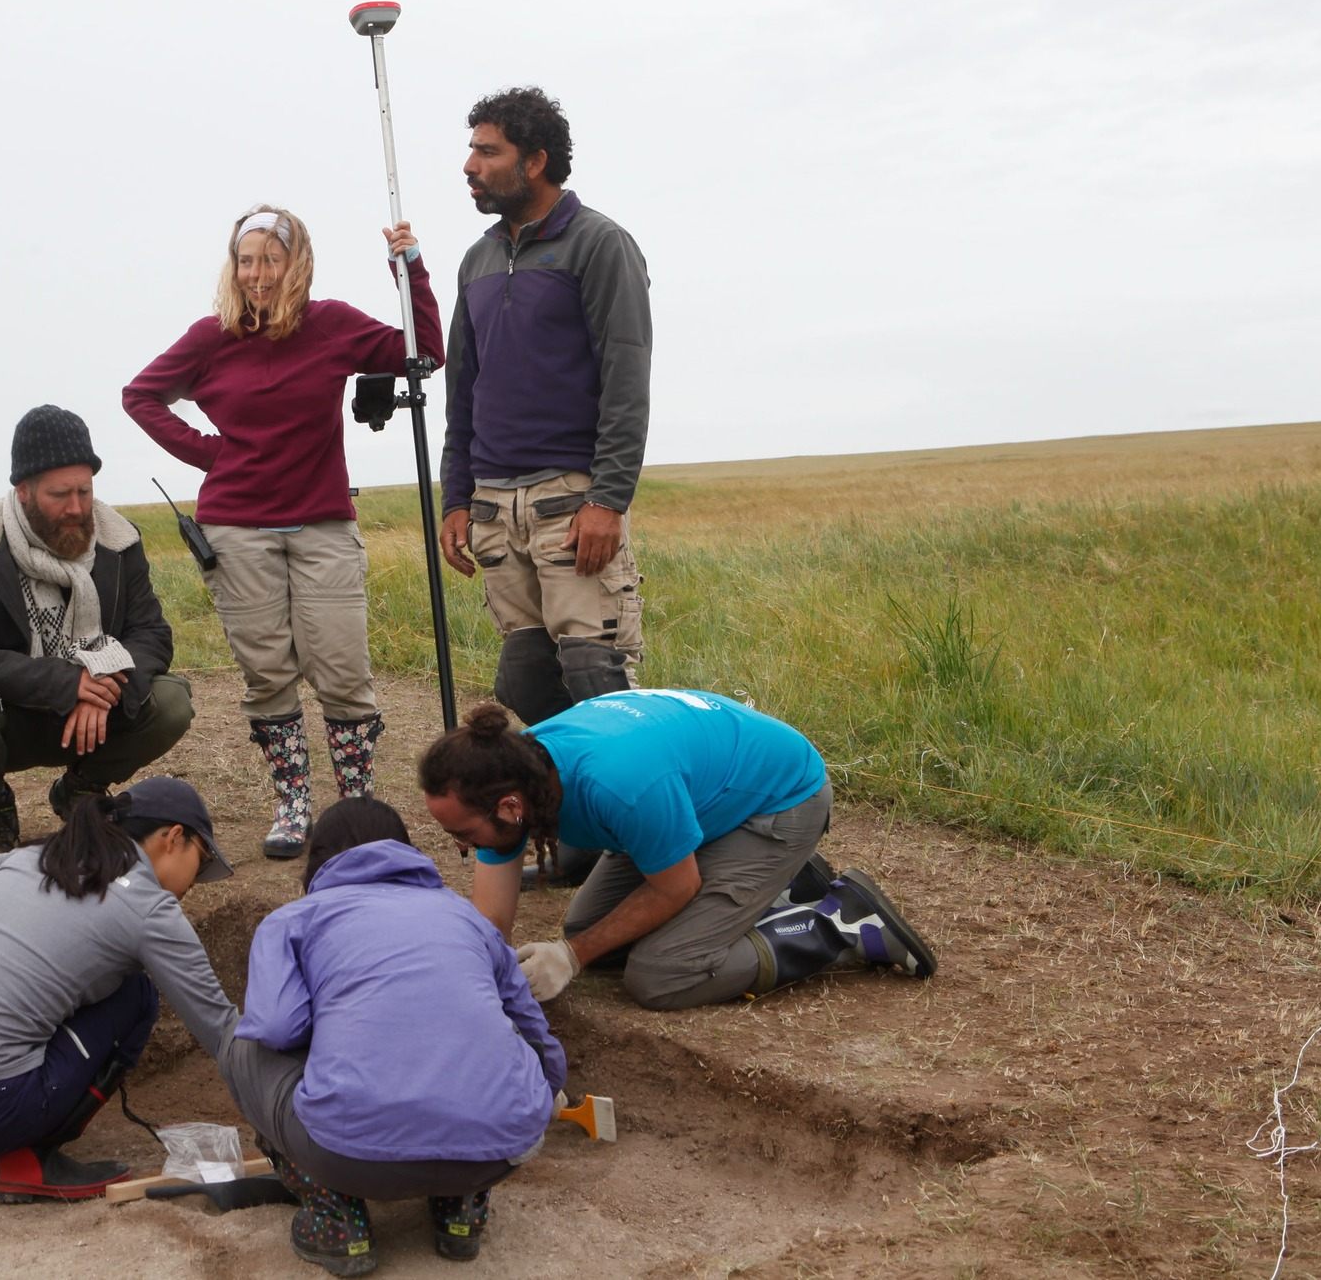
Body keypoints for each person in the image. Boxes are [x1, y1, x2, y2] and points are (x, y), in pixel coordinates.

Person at [123, 206, 442, 860]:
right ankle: (293, 807)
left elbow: (425, 352)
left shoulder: (332, 325)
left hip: (322, 523)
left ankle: (356, 808)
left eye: (271, 259)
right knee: (267, 674)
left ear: (296, 264)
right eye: (246, 260)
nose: (257, 274)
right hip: (236, 530)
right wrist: (213, 454)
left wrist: (409, 268)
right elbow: (141, 394)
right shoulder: (211, 336)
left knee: (343, 671)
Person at [417, 692, 937, 1011]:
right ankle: (781, 884)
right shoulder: (515, 770)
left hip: (780, 801)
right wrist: (479, 982)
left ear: (510, 808)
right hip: (695, 803)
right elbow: (492, 922)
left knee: (662, 975)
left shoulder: (617, 784)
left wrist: (571, 959)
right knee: (592, 933)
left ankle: (840, 924)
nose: (461, 847)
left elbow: (676, 886)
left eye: (463, 834)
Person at [220, 799, 564, 1273]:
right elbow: (533, 1028)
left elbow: (279, 1028)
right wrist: (545, 1096)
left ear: (319, 858)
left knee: (242, 1042)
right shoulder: (466, 917)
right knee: (480, 1045)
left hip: (345, 1155)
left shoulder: (294, 921)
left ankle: (336, 1220)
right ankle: (460, 1206)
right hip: (498, 1149)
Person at [0, 777, 239, 1202]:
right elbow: (220, 1030)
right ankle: (30, 1158)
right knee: (134, 995)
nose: (194, 883)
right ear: (174, 838)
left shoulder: (30, 856)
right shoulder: (148, 907)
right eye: (201, 860)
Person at [436, 87, 653, 734]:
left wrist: (609, 500)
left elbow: (626, 378)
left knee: (597, 675)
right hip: (495, 504)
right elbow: (462, 391)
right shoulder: (476, 261)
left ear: (533, 161)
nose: (470, 166)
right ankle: (576, 811)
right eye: (471, 150)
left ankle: (638, 821)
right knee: (525, 679)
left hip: (573, 498)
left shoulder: (599, 244)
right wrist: (455, 499)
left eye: (486, 151)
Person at [0, 406, 193, 875]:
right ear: (23, 490)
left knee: (171, 700)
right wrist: (65, 683)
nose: (75, 508)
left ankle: (82, 790)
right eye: (59, 494)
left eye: (84, 491)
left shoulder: (119, 541)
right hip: (9, 716)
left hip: (96, 718)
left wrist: (103, 682)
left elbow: (151, 634)